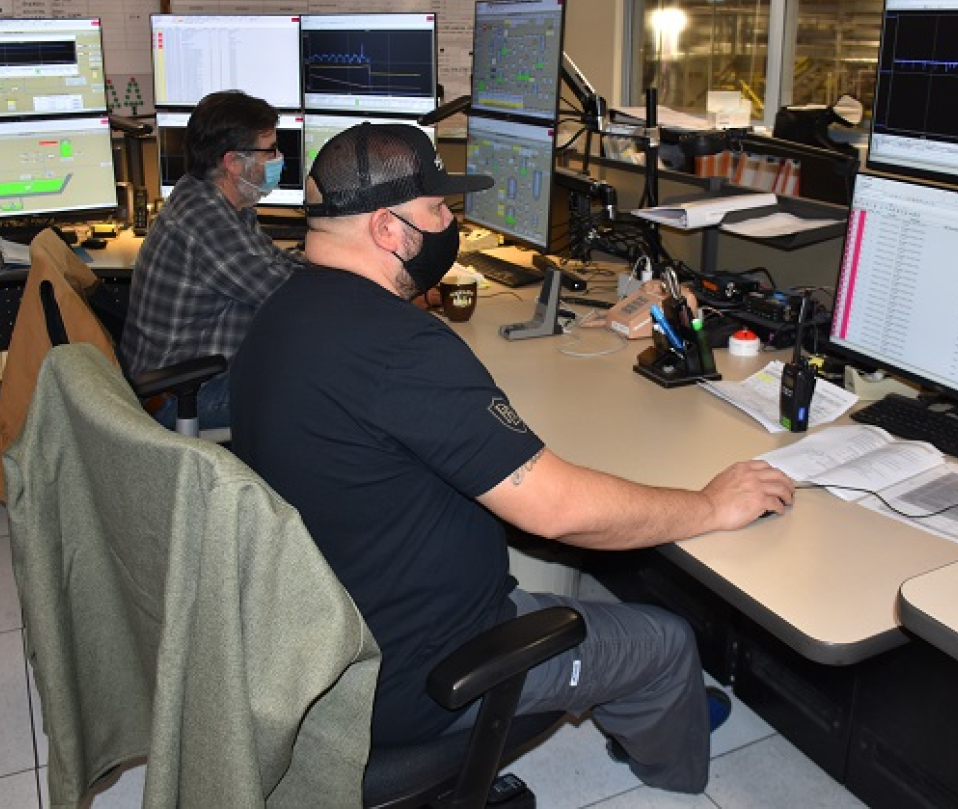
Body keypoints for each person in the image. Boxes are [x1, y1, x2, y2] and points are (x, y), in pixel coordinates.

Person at [229, 123, 795, 794]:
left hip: (324, 641)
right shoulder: (399, 346)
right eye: (438, 209)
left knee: (563, 593)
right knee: (665, 640)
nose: (452, 223)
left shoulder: (281, 310)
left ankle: (605, 680)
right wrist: (709, 504)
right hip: (417, 677)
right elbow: (559, 512)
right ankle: (667, 771)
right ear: (386, 228)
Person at [121, 89, 304, 430]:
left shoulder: (211, 199)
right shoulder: (205, 221)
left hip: (193, 375)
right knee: (326, 390)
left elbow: (275, 264)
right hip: (183, 393)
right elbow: (286, 294)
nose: (279, 158)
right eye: (271, 150)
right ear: (234, 163)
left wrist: (328, 265)